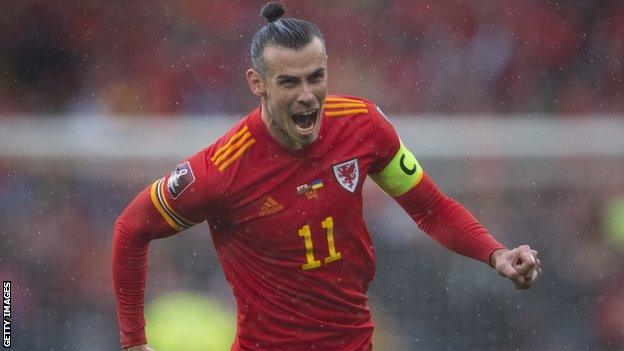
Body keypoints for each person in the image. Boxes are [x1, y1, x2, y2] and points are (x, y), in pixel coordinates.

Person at [112, 2, 542, 350]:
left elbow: (430, 209)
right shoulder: (221, 170)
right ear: (256, 83)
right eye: (289, 82)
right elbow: (131, 229)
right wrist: (134, 342)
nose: (307, 95)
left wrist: (495, 253)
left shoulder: (363, 126)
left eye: (316, 77)